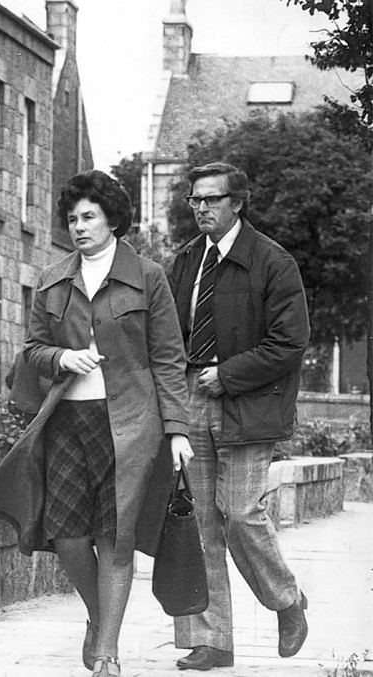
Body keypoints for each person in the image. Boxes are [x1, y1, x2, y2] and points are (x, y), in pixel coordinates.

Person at [0, 170, 193, 677]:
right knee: (69, 534)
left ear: (112, 219)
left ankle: (107, 655)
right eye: (71, 219)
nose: (78, 226)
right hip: (68, 421)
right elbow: (30, 349)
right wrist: (60, 358)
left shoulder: (148, 276)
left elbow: (167, 358)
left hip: (131, 425)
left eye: (88, 216)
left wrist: (177, 429)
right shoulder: (52, 278)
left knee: (115, 537)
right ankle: (100, 619)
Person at [168, 162, 310, 671]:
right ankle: (213, 641)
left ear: (238, 203)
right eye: (195, 201)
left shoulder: (273, 262)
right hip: (190, 398)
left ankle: (286, 601)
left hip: (248, 402)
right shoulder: (185, 262)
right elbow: (167, 336)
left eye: (211, 199)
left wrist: (227, 375)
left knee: (241, 513)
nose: (201, 208)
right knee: (199, 521)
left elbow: (290, 342)